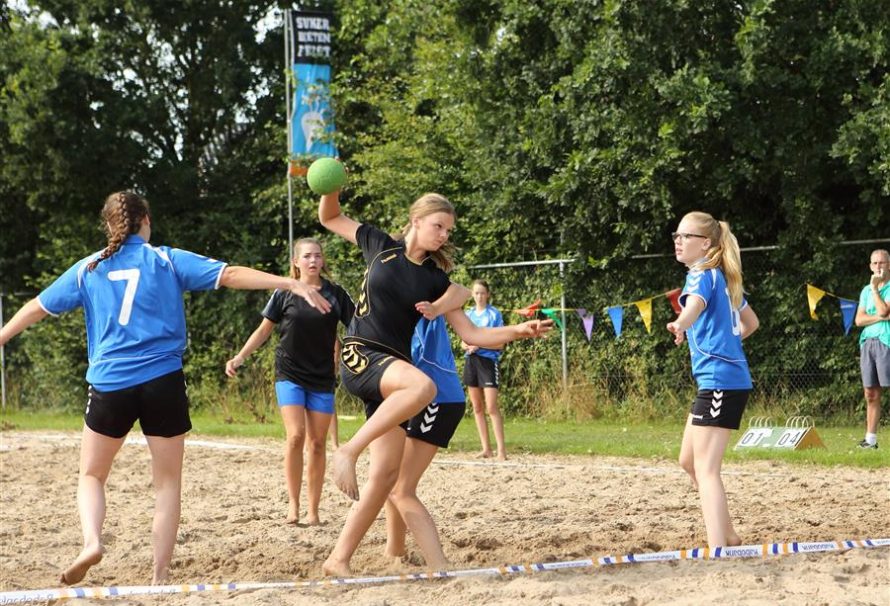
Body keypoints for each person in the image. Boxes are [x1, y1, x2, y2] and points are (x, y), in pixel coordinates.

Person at [0, 191, 331, 586]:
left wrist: (2, 337)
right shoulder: (166, 259)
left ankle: (91, 541)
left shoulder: (88, 268)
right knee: (168, 484)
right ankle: (160, 576)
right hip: (163, 383)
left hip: (110, 383)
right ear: (146, 221)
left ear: (109, 226)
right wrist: (288, 283)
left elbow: (37, 306)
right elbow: (230, 274)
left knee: (91, 475)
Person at [317, 187, 548, 576]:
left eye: (448, 230)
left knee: (387, 478)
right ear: (416, 220)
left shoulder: (434, 280)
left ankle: (337, 559)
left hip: (392, 376)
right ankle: (347, 451)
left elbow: (474, 336)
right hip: (363, 354)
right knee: (422, 388)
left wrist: (518, 331)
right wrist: (331, 188)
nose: (443, 235)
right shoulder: (379, 244)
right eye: (438, 226)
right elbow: (330, 217)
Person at [384, 311, 552, 569]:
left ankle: (440, 566)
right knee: (389, 478)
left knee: (400, 489)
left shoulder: (431, 291)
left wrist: (518, 331)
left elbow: (474, 333)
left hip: (435, 397)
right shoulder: (395, 291)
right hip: (407, 393)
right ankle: (395, 553)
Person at [225, 238, 354, 525]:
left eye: (317, 256)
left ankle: (313, 510)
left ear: (322, 261)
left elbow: (358, 327)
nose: (313, 260)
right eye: (307, 256)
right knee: (296, 436)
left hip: (321, 376)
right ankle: (293, 507)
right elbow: (263, 331)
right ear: (296, 262)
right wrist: (240, 356)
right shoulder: (284, 293)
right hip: (289, 372)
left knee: (318, 443)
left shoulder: (336, 295)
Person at [666, 211, 759, 549]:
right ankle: (729, 535)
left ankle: (718, 548)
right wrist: (727, 343)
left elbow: (692, 307)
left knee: (706, 470)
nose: (677, 241)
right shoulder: (724, 277)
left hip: (721, 380)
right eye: (676, 235)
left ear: (705, 243)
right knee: (688, 461)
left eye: (684, 236)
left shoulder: (702, 274)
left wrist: (681, 323)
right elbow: (751, 323)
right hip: (719, 379)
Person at [460, 280, 507, 460]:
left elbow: (500, 343)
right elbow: (463, 339)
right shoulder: (468, 314)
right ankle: (486, 448)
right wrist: (466, 344)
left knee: (492, 407)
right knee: (477, 407)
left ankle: (501, 450)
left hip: (488, 362)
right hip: (471, 362)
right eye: (476, 293)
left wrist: (478, 344)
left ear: (487, 294)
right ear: (472, 295)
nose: (479, 296)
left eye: (482, 293)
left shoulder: (494, 315)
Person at [853, 249, 890, 449]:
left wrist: (876, 290)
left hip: (887, 341)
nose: (878, 267)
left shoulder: (876, 289)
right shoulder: (865, 291)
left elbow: (884, 309)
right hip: (868, 343)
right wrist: (881, 317)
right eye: (874, 263)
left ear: (889, 265)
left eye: (882, 263)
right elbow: (859, 320)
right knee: (871, 393)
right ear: (870, 266)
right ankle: (870, 441)